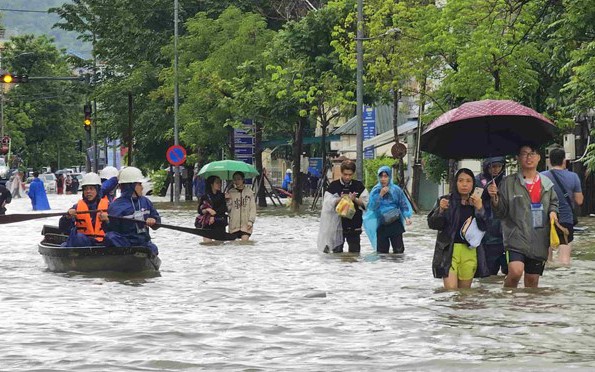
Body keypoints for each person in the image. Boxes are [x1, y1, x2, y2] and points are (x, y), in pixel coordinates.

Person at [489, 145, 559, 288]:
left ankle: (527, 309)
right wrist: (495, 198)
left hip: (539, 239)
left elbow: (554, 203)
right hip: (516, 237)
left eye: (532, 154)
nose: (529, 157)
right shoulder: (508, 183)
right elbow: (500, 213)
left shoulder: (547, 184)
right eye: (524, 154)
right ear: (518, 158)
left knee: (532, 281)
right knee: (515, 272)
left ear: (539, 158)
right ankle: (507, 298)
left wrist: (553, 212)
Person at [428, 168, 489, 289]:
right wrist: (440, 211)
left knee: (464, 295)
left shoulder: (477, 202)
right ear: (455, 183)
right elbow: (433, 224)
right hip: (449, 251)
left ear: (473, 184)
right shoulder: (445, 200)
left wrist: (480, 209)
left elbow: (485, 227)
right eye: (460, 180)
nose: (464, 184)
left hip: (470, 251)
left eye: (468, 181)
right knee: (451, 291)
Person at [100, 167, 161, 254]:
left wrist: (154, 220)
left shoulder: (146, 201)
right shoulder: (116, 206)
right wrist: (106, 221)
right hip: (125, 243)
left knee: (153, 248)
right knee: (110, 237)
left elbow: (157, 221)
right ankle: (128, 255)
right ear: (130, 186)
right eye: (139, 184)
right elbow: (111, 230)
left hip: (143, 243)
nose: (142, 187)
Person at [541, 147, 583, 266]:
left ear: (549, 161)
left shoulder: (541, 176)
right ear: (564, 160)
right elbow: (579, 201)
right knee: (564, 260)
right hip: (566, 220)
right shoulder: (573, 177)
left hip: (546, 220)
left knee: (546, 259)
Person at [320, 160, 369, 253]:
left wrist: (354, 199)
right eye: (345, 174)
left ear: (353, 174)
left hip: (354, 226)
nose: (347, 177)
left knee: (354, 255)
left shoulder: (359, 186)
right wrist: (339, 199)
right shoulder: (333, 186)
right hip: (337, 227)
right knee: (336, 255)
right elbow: (326, 204)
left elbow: (366, 204)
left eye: (350, 175)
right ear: (341, 172)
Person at [363, 166, 413, 253]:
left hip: (395, 223)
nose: (383, 179)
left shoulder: (396, 190)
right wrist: (380, 195)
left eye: (386, 176)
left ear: (390, 177)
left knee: (399, 252)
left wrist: (407, 217)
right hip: (382, 224)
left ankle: (397, 267)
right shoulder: (375, 190)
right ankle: (384, 267)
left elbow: (403, 205)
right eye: (381, 176)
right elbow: (371, 207)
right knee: (382, 253)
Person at [475, 156, 507, 276]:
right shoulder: (478, 180)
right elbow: (474, 200)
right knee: (488, 274)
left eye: (499, 166)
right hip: (487, 235)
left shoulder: (505, 181)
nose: (496, 169)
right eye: (493, 166)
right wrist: (486, 193)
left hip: (505, 234)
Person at [58, 173, 109, 247]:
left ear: (97, 190)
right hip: (83, 242)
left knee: (112, 237)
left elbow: (116, 228)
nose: (88, 191)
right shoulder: (76, 207)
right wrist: (67, 217)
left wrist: (108, 220)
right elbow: (63, 229)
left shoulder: (108, 206)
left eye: (91, 188)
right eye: (86, 189)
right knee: (76, 238)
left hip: (102, 243)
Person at [225, 171, 256, 241]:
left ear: (243, 180)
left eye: (239, 179)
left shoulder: (249, 192)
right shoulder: (230, 192)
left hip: (246, 224)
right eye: (235, 179)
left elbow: (253, 208)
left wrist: (251, 221)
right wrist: (228, 200)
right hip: (234, 225)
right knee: (234, 247)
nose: (237, 181)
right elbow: (228, 210)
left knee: (244, 244)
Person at [196, 175, 227, 243]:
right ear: (211, 184)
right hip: (207, 224)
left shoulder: (222, 196)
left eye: (220, 182)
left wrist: (213, 215)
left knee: (220, 245)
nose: (220, 184)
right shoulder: (205, 196)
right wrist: (207, 210)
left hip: (219, 223)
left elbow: (223, 209)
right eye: (217, 183)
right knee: (207, 244)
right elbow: (199, 210)